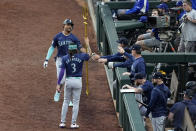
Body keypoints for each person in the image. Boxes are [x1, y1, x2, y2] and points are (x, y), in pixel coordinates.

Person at [43, 19, 85, 105]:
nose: (70, 26)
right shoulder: (57, 37)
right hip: (60, 60)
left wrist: (85, 50)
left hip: (70, 60)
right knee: (61, 80)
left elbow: (80, 47)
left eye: (71, 25)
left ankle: (68, 99)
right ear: (64, 25)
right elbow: (52, 48)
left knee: (68, 80)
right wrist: (46, 59)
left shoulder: (74, 38)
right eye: (68, 24)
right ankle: (58, 92)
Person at [57, 38, 91, 129]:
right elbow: (89, 55)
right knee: (76, 103)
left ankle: (62, 122)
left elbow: (61, 72)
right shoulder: (81, 56)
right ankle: (73, 123)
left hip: (68, 81)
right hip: (78, 81)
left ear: (68, 49)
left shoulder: (64, 58)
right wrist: (87, 44)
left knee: (66, 101)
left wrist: (58, 83)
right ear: (76, 49)